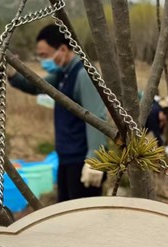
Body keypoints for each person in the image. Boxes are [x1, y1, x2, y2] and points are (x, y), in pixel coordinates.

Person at [8, 25, 108, 202]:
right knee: (65, 212)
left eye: (45, 55)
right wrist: (12, 74)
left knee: (82, 215)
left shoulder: (84, 74)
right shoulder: (63, 74)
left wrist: (95, 160)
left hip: (82, 161)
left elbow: (96, 118)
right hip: (66, 158)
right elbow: (36, 86)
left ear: (62, 49)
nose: (43, 61)